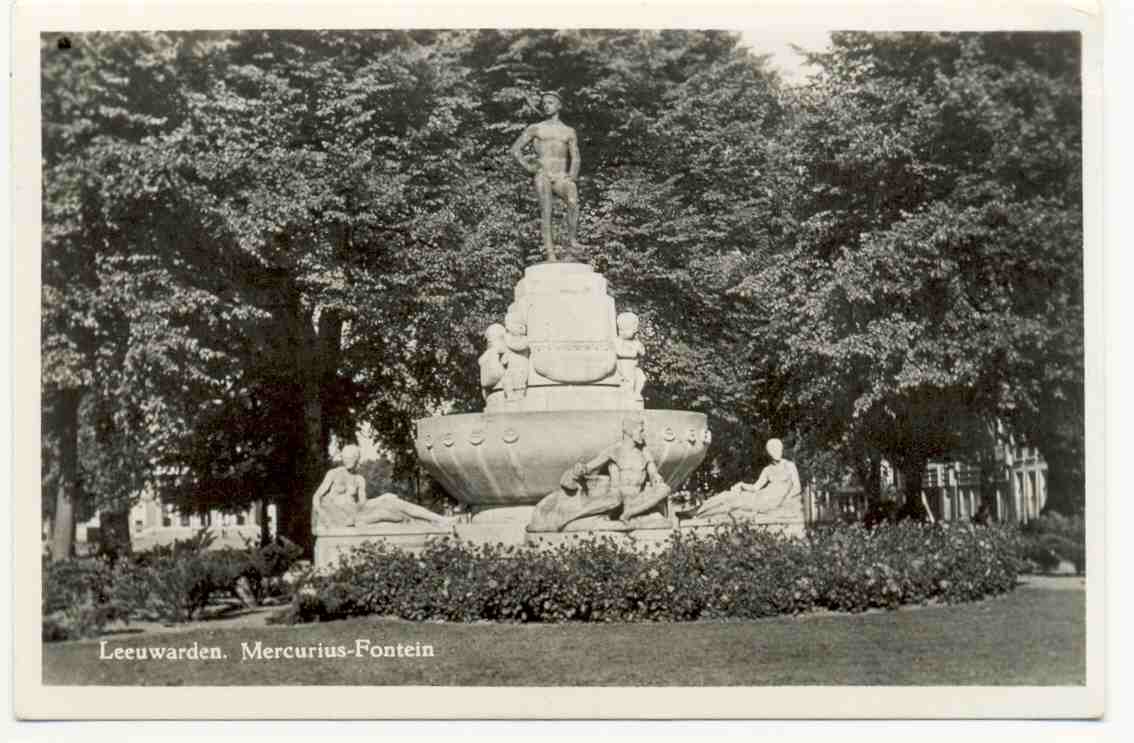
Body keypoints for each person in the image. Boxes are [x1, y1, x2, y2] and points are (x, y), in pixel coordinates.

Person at [510, 91, 581, 261]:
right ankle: (551, 253)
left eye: (550, 102)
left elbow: (576, 156)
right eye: (544, 103)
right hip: (543, 173)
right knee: (546, 211)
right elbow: (515, 150)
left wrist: (572, 175)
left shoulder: (569, 131)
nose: (546, 105)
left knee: (573, 201)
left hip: (561, 175)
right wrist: (529, 167)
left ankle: (571, 242)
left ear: (559, 106)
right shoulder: (536, 128)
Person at [311, 445, 452, 530]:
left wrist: (382, 498)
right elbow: (316, 498)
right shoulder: (334, 474)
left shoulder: (359, 479)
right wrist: (324, 516)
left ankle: (439, 519)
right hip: (345, 518)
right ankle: (429, 522)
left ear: (357, 459)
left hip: (359, 512)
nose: (349, 461)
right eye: (347, 458)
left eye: (353, 458)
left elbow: (363, 504)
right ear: (343, 457)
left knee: (394, 502)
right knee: (392, 515)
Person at [580, 416, 671, 525]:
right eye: (641, 431)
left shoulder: (644, 452)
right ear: (630, 431)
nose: (643, 434)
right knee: (615, 499)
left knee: (664, 489)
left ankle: (629, 514)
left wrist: (656, 478)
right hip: (619, 499)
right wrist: (580, 469)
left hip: (638, 500)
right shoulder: (614, 450)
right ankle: (626, 514)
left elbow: (653, 473)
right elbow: (590, 467)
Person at [694, 438, 801, 520]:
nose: (776, 452)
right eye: (772, 450)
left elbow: (797, 488)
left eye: (777, 449)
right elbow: (755, 487)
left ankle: (699, 514)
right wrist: (742, 485)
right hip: (760, 497)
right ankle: (697, 511)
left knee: (732, 503)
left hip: (769, 502)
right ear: (768, 452)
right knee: (728, 495)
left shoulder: (789, 466)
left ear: (781, 449)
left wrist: (784, 502)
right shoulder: (767, 469)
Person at [613, 312, 646, 401]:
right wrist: (633, 353)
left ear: (635, 330)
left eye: (626, 330)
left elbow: (643, 352)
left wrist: (639, 349)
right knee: (629, 381)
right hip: (623, 367)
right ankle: (628, 396)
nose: (623, 332)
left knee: (641, 378)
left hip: (634, 367)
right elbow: (619, 352)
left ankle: (637, 393)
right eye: (621, 330)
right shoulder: (618, 341)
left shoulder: (636, 342)